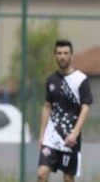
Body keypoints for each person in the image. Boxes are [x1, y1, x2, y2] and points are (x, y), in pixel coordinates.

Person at [37, 39, 93, 182]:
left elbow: (85, 107)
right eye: (59, 53)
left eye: (66, 53)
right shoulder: (51, 80)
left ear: (71, 56)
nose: (62, 56)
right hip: (51, 137)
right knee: (42, 173)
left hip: (70, 138)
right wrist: (42, 135)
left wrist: (75, 133)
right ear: (55, 55)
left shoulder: (81, 79)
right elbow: (47, 106)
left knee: (68, 178)